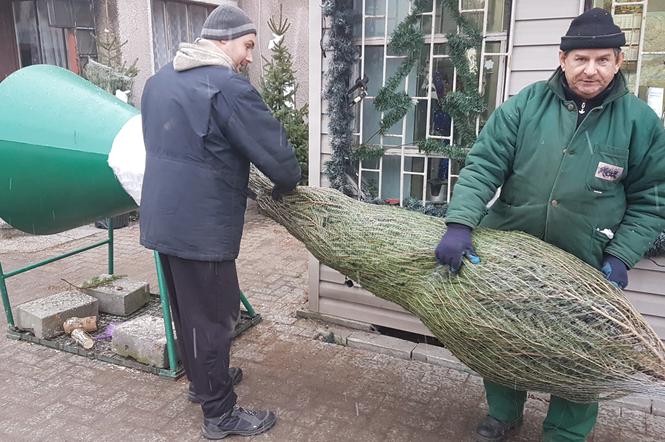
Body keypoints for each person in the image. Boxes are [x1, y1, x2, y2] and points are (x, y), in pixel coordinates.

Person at [434, 8, 665, 442]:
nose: (590, 69)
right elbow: (484, 164)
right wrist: (461, 223)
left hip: (585, 263)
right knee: (504, 335)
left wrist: (620, 256)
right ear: (563, 59)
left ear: (618, 63)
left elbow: (652, 199)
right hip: (514, 253)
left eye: (602, 59)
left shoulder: (641, 123)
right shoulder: (525, 105)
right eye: (581, 58)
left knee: (582, 354)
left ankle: (565, 432)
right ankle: (503, 414)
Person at [139, 2, 301, 440]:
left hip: (162, 220)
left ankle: (203, 385)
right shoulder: (226, 87)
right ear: (224, 40)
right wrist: (288, 184)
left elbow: (186, 148)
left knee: (186, 310)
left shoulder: (157, 83)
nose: (250, 56)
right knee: (215, 316)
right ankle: (220, 415)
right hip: (202, 226)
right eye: (248, 45)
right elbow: (276, 155)